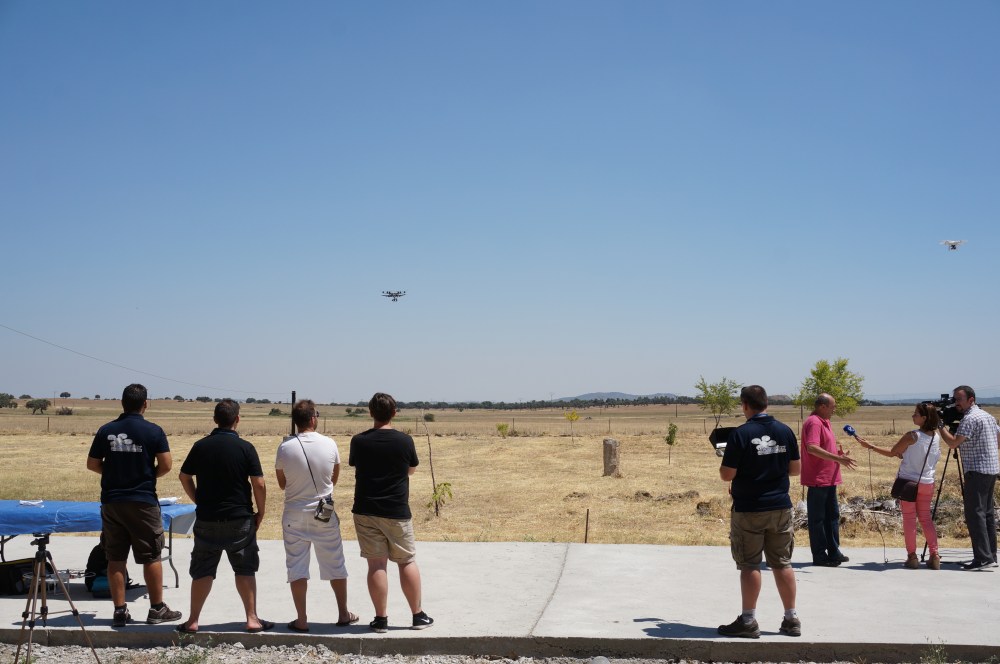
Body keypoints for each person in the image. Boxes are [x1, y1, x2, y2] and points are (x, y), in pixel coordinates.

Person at [86, 383, 182, 627]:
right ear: (145, 404)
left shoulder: (106, 430)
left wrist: (114, 472)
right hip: (142, 502)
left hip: (112, 502)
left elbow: (92, 464)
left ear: (122, 403)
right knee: (151, 555)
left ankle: (119, 611)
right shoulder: (153, 431)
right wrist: (147, 475)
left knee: (115, 556)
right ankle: (157, 609)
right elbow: (167, 465)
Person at [175, 399, 273, 633]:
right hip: (239, 518)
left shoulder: (201, 446)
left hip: (207, 519)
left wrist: (198, 499)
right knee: (245, 568)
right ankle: (251, 618)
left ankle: (193, 620)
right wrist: (261, 511)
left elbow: (184, 476)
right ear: (237, 419)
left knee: (202, 569)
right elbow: (258, 483)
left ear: (215, 420)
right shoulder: (246, 448)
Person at [718, 385, 801, 639]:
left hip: (750, 508)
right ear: (765, 403)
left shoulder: (741, 434)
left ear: (745, 405)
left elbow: (726, 475)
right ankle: (791, 618)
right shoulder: (785, 431)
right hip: (780, 506)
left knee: (750, 564)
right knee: (782, 563)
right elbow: (796, 469)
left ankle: (748, 620)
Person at [350, 392, 433, 632]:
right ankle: (417, 616)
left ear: (370, 413)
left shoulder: (359, 440)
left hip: (365, 509)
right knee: (406, 561)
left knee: (376, 565)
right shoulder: (405, 441)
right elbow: (411, 469)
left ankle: (381, 619)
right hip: (396, 509)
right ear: (394, 412)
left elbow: (357, 465)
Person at [275, 400, 357, 632]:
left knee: (297, 566)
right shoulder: (330, 444)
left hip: (294, 513)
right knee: (335, 562)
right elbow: (334, 478)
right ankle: (343, 613)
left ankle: (301, 619)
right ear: (313, 419)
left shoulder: (285, 447)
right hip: (324, 513)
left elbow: (282, 484)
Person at [854, 403, 942, 569]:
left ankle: (912, 556)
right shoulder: (935, 436)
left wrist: (870, 446)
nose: (913, 416)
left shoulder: (912, 435)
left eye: (915, 414)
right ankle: (935, 554)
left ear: (924, 418)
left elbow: (892, 452)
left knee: (909, 519)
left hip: (909, 482)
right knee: (926, 519)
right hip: (927, 482)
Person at [936, 386, 1000, 570]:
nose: (956, 403)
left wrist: (940, 425)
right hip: (991, 469)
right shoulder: (987, 416)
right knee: (987, 514)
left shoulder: (969, 419)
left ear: (971, 400)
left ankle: (982, 558)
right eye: (955, 399)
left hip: (976, 471)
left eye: (959, 400)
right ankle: (990, 555)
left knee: (974, 514)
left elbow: (953, 443)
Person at [800, 393, 857, 567]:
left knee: (832, 516)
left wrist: (838, 455)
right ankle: (819, 555)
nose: (835, 409)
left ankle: (833, 551)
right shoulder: (814, 422)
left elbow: (823, 448)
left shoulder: (825, 422)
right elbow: (812, 447)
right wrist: (837, 459)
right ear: (822, 406)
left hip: (830, 478)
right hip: (818, 478)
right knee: (818, 519)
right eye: (833, 406)